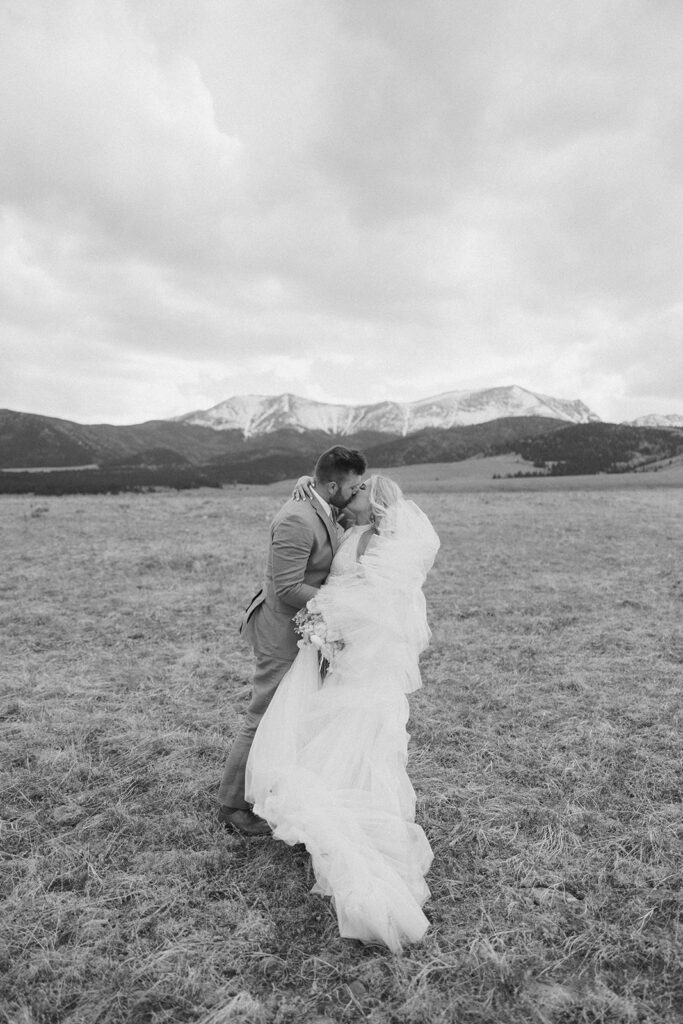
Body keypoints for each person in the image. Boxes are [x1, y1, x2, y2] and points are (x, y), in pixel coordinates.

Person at [246, 475, 440, 952]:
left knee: (359, 730)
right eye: (344, 490)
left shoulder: (380, 544)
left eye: (353, 493)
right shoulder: (351, 532)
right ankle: (342, 785)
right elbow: (321, 499)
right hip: (340, 649)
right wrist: (307, 486)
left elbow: (378, 603)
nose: (344, 498)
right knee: (334, 726)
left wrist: (327, 616)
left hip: (362, 657)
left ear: (369, 503)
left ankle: (356, 805)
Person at [217, 445, 367, 837]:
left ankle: (271, 784)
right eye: (352, 488)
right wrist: (340, 603)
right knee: (263, 712)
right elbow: (286, 588)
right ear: (332, 485)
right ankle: (232, 804)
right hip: (281, 627)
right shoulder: (297, 519)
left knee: (292, 711)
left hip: (306, 627)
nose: (356, 493)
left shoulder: (321, 503)